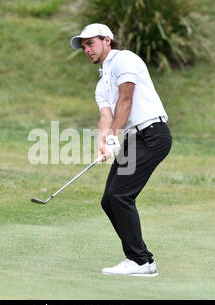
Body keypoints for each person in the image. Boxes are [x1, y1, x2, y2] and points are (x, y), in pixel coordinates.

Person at [70, 23, 172, 276]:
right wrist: (103, 142)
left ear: (107, 40)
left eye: (90, 43)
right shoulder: (101, 83)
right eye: (83, 46)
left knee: (120, 195)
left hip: (153, 134)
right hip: (135, 139)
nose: (87, 49)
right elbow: (106, 116)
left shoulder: (124, 59)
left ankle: (140, 260)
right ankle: (141, 259)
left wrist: (115, 136)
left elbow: (126, 99)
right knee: (109, 200)